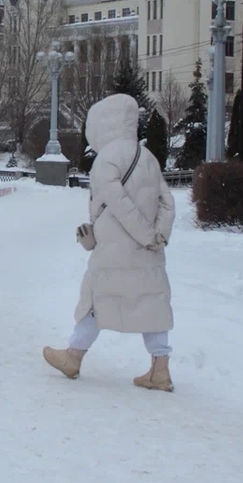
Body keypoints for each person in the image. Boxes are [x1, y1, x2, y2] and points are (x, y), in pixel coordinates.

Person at [43, 93, 177, 392]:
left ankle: (73, 357)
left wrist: (144, 235)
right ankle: (160, 370)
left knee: (95, 302)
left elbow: (118, 204)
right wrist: (158, 236)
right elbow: (168, 201)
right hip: (149, 250)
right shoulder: (148, 157)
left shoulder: (107, 159)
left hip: (116, 250)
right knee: (151, 302)